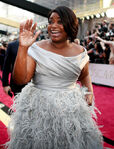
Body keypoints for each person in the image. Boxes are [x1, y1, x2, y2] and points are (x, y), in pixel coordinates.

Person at [6, 6, 103, 149]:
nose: (53, 26)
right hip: (39, 108)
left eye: (60, 21)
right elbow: (21, 80)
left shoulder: (81, 51)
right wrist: (23, 48)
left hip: (71, 109)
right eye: (51, 21)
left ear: (70, 25)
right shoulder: (36, 48)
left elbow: (85, 74)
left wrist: (89, 91)